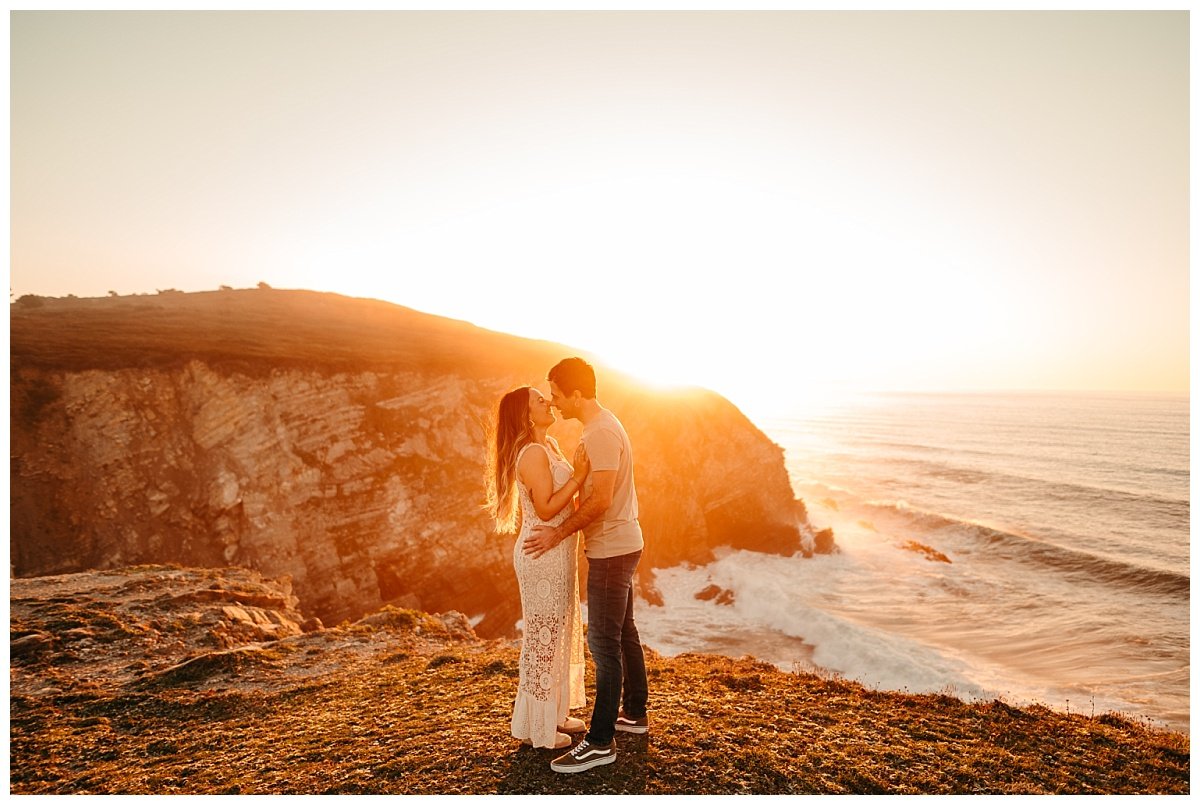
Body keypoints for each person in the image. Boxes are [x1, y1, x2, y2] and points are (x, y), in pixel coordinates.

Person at [524, 357, 649, 774]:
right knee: (623, 632)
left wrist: (558, 534)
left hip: (612, 550)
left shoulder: (599, 433)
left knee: (602, 643)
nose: (555, 403)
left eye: (557, 394)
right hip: (620, 543)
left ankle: (600, 743)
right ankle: (633, 714)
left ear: (576, 393)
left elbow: (601, 500)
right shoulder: (601, 425)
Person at [485, 385, 591, 750]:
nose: (547, 402)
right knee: (542, 637)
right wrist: (578, 476)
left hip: (557, 551)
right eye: (539, 400)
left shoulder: (549, 447)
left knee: (557, 632)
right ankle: (541, 731)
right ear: (526, 414)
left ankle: (554, 714)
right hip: (540, 553)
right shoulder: (530, 452)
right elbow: (546, 508)